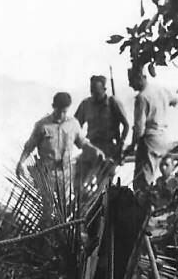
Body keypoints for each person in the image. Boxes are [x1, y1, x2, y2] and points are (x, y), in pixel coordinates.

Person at [16, 92, 105, 222]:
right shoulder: (42, 125)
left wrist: (96, 151)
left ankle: (61, 231)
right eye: (59, 111)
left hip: (65, 174)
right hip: (47, 174)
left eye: (65, 111)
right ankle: (45, 231)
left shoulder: (73, 124)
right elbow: (29, 146)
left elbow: (82, 142)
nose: (62, 115)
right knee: (47, 209)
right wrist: (21, 162)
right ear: (53, 106)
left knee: (65, 210)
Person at [126, 66, 178, 201]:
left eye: (131, 80)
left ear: (140, 77)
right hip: (163, 140)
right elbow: (175, 100)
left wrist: (131, 146)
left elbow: (139, 128)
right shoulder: (161, 90)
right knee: (162, 178)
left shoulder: (142, 97)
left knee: (142, 184)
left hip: (149, 142)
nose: (130, 84)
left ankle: (145, 210)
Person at [74, 75, 129, 161]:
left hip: (109, 148)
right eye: (92, 92)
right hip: (92, 147)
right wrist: (81, 143)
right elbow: (75, 126)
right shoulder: (86, 104)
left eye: (97, 93)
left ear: (104, 89)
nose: (94, 96)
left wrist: (121, 144)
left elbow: (126, 125)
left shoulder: (113, 103)